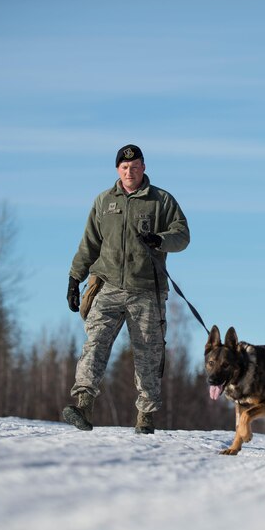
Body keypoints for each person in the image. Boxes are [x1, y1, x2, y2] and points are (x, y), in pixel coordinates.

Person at [64, 144, 190, 434]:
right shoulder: (104, 201)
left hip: (147, 289)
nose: (129, 171)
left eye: (134, 167)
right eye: (124, 167)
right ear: (117, 170)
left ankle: (146, 416)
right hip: (107, 286)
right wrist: (74, 278)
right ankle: (83, 404)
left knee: (148, 352)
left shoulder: (161, 200)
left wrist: (160, 240)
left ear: (143, 168)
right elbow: (89, 244)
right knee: (95, 344)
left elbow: (182, 235)